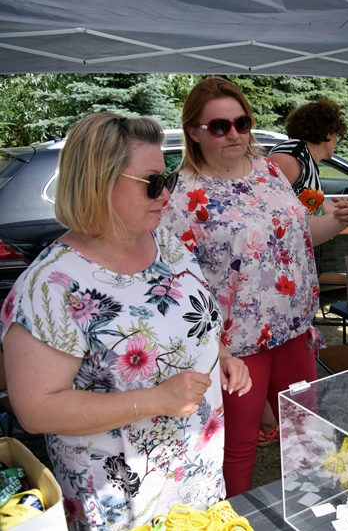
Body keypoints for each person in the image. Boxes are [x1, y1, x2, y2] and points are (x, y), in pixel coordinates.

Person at [0, 112, 251, 530]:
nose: (166, 193)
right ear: (99, 183)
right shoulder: (51, 286)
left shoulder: (164, 242)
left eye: (167, 179)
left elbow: (188, 321)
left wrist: (218, 353)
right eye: (153, 182)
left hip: (195, 473)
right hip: (121, 499)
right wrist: (154, 400)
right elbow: (36, 409)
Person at [161, 77, 325, 497]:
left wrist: (336, 222)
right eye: (219, 126)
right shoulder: (181, 195)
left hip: (292, 328)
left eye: (242, 122)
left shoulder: (270, 171)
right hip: (234, 343)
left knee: (306, 431)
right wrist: (214, 348)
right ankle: (234, 517)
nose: (233, 134)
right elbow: (174, 281)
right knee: (238, 444)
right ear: (195, 131)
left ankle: (312, 511)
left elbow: (289, 241)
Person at [262, 100, 348, 447]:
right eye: (338, 137)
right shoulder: (290, 158)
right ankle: (269, 421)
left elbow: (306, 206)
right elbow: (273, 211)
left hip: (293, 274)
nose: (337, 144)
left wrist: (337, 210)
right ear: (329, 133)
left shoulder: (304, 159)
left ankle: (276, 419)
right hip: (277, 276)